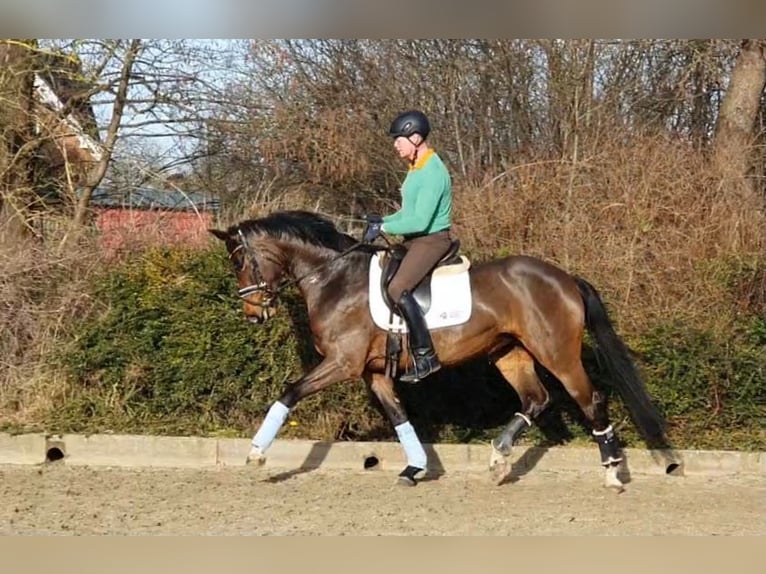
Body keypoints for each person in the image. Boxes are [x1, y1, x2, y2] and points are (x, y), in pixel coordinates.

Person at [364, 109, 453, 383]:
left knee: (397, 287)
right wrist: (382, 219)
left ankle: (426, 355)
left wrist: (385, 228)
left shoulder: (432, 171)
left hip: (432, 239)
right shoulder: (416, 169)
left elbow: (420, 220)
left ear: (415, 138)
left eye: (398, 139)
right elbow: (406, 214)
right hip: (416, 238)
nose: (395, 144)